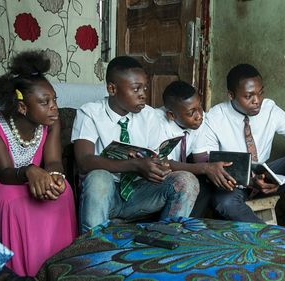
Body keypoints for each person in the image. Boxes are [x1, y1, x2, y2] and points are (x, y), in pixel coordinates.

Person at [0, 51, 78, 276]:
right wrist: (31, 171)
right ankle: (19, 273)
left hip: (31, 176)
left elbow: (54, 161)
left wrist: (55, 177)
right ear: (22, 107)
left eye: (54, 99)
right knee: (11, 200)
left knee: (63, 192)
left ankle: (62, 269)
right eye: (45, 102)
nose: (54, 107)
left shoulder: (51, 122)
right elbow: (4, 173)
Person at [72, 56, 199, 234]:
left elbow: (158, 156)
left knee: (186, 180)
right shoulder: (90, 113)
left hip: (140, 194)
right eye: (136, 89)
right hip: (105, 195)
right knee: (99, 177)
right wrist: (134, 165)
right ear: (112, 88)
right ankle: (92, 247)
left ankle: (164, 239)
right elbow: (84, 161)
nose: (143, 94)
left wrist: (158, 166)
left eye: (144, 88)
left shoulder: (150, 116)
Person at [204, 63, 285, 232]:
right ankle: (269, 236)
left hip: (266, 177)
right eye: (249, 96)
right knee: (224, 203)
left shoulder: (270, 109)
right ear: (231, 95)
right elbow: (211, 163)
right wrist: (250, 181)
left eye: (260, 93)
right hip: (235, 183)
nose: (257, 101)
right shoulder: (215, 118)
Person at [156, 80, 235, 217]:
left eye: (200, 107)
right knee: (190, 181)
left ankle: (186, 228)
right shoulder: (157, 122)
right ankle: (172, 230)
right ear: (172, 116)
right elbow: (162, 164)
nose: (199, 115)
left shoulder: (197, 121)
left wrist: (220, 172)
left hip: (179, 177)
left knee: (208, 185)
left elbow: (201, 159)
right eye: (191, 112)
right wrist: (206, 168)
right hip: (157, 179)